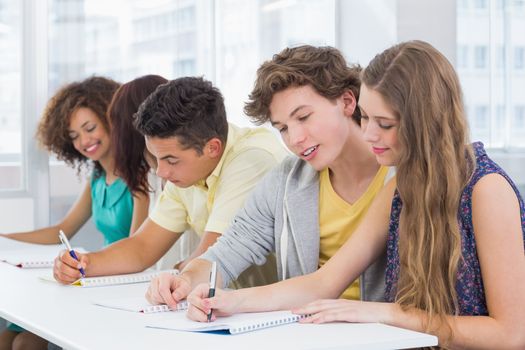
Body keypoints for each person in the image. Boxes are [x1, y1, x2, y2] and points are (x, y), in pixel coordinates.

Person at [186, 41, 525, 349]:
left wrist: (388, 314)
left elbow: (511, 335)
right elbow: (325, 281)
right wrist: (234, 301)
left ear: (425, 122)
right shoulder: (401, 187)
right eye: (366, 118)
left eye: (385, 124)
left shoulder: (486, 189)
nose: (369, 134)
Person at [145, 45, 390, 308]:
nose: (295, 139)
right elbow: (231, 247)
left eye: (304, 117)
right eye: (282, 128)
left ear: (347, 101)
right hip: (308, 331)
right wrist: (187, 279)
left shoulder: (400, 175)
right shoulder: (285, 181)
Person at [52, 76, 288, 288]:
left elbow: (214, 255)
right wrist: (84, 264)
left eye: (170, 160)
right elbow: (142, 247)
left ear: (212, 148)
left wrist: (181, 272)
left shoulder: (252, 159)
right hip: (223, 304)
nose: (162, 172)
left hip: (272, 315)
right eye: (155, 158)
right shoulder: (183, 172)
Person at [0, 77, 150, 350]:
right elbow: (61, 230)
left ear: (111, 119)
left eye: (89, 128)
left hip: (117, 281)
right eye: (74, 137)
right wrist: (4, 238)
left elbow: (138, 249)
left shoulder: (140, 176)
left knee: (24, 342)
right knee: (7, 335)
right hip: (93, 275)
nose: (84, 141)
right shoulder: (97, 177)